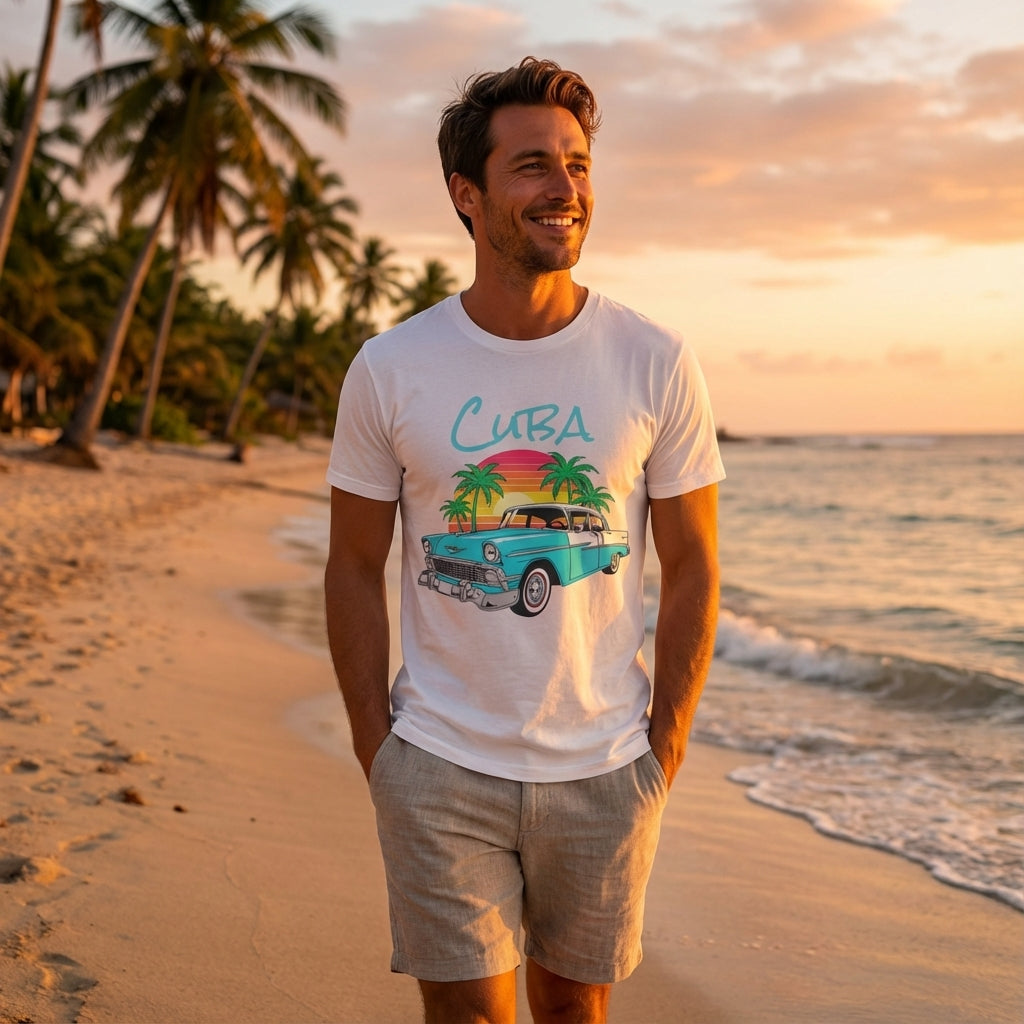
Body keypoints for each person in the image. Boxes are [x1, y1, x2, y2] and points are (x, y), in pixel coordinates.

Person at [324, 56, 725, 1024]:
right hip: (437, 758)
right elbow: (352, 563)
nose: (565, 188)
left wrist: (663, 746)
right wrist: (378, 749)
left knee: (575, 1008)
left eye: (578, 164)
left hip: (604, 761)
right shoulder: (391, 367)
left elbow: (693, 568)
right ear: (467, 194)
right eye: (533, 165)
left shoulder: (655, 359)